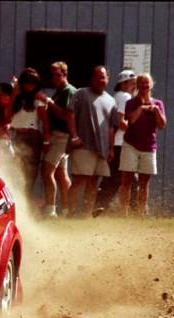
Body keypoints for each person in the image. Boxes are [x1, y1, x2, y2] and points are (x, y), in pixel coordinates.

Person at [68, 66, 118, 216]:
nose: (100, 80)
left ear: (108, 79)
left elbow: (111, 128)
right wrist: (74, 136)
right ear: (92, 79)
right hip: (84, 145)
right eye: (97, 77)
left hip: (101, 149)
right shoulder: (81, 93)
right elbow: (70, 115)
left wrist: (110, 148)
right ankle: (70, 213)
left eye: (103, 77)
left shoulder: (111, 101)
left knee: (93, 182)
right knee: (79, 180)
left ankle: (86, 215)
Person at [118, 73, 166, 217]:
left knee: (144, 182)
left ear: (151, 85)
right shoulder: (131, 103)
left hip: (149, 146)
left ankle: (140, 214)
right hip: (131, 144)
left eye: (147, 83)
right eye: (141, 83)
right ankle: (123, 213)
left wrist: (156, 110)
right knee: (126, 179)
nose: (144, 86)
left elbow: (162, 125)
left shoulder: (158, 103)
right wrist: (142, 108)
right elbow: (131, 121)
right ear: (137, 86)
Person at [96, 70, 137, 215]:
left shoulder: (116, 96)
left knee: (115, 177)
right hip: (121, 143)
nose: (134, 84)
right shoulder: (125, 97)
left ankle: (100, 205)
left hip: (117, 143)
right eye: (132, 82)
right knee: (124, 178)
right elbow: (121, 122)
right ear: (124, 83)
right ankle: (137, 210)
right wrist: (135, 126)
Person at [40, 62, 77, 217]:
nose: (54, 78)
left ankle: (51, 210)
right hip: (60, 136)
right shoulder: (60, 91)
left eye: (57, 75)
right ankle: (67, 210)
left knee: (47, 171)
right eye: (52, 74)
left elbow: (66, 115)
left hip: (61, 136)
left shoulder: (68, 91)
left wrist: (48, 102)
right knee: (61, 174)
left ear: (64, 74)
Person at [10, 68, 48, 199]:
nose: (30, 85)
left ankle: (26, 199)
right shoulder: (16, 97)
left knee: (30, 172)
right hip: (15, 134)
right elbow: (7, 116)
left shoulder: (38, 98)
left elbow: (45, 122)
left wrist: (46, 141)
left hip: (32, 137)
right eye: (27, 82)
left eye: (33, 82)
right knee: (14, 168)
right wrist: (14, 95)